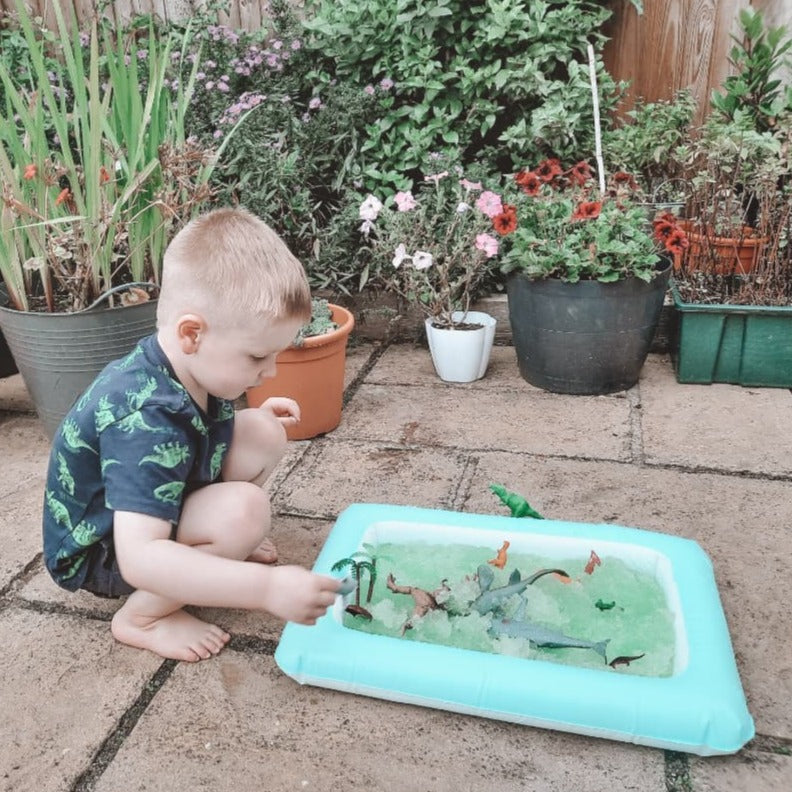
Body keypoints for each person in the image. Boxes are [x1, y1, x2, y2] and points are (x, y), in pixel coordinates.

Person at [42, 207, 341, 662]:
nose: (271, 371)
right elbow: (139, 555)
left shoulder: (190, 364)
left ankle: (213, 547)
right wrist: (264, 588)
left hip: (148, 503)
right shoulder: (144, 419)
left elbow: (199, 429)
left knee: (261, 430)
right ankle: (143, 617)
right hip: (104, 548)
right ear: (191, 334)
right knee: (243, 511)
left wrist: (244, 418)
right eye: (258, 357)